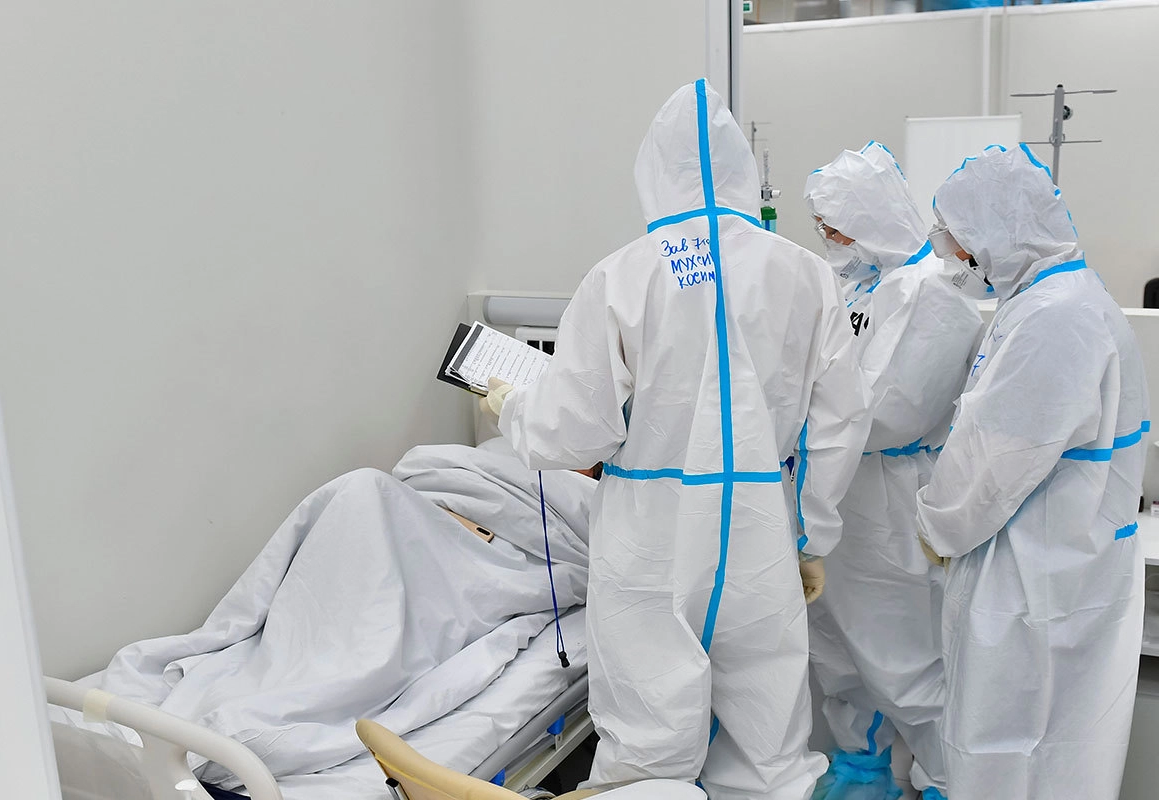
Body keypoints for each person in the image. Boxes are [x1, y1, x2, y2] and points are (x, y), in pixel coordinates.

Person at [483, 80, 871, 800]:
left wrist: (513, 409)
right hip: (760, 530)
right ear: (740, 169)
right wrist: (811, 535)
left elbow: (572, 429)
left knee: (647, 744)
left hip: (651, 537)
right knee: (770, 744)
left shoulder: (623, 274)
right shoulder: (807, 274)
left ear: (654, 170)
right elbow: (840, 421)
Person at [51, 437, 597, 799]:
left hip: (488, 562)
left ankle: (275, 709)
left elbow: (577, 554)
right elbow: (416, 475)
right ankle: (267, 694)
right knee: (364, 488)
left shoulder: (601, 500)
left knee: (371, 646)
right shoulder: (491, 453)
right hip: (404, 509)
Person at [917, 144, 1148, 799]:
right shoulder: (1058, 299)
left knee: (1010, 749)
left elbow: (993, 464)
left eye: (959, 238)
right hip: (1057, 565)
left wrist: (936, 525)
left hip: (1033, 578)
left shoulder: (1054, 317)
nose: (954, 255)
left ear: (998, 229)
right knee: (1049, 750)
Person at [801, 142, 983, 800]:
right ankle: (860, 767)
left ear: (869, 216)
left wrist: (798, 409)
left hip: (889, 500)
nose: (829, 240)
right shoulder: (857, 283)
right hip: (837, 493)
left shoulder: (934, 294)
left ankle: (942, 782)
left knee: (903, 655)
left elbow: (888, 413)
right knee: (838, 651)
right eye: (823, 229)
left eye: (836, 227)